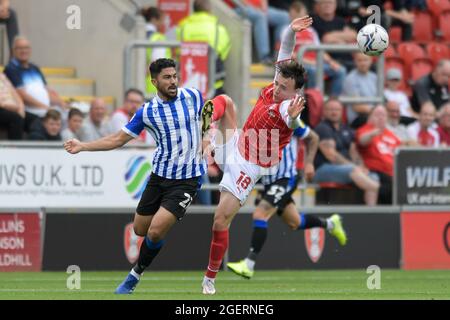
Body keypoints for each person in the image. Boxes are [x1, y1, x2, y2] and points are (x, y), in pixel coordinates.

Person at [64, 58, 209, 294]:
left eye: (174, 76)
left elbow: (214, 112)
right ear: (154, 81)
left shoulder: (193, 95)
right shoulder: (148, 111)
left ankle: (134, 276)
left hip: (187, 179)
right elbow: (117, 139)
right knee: (140, 230)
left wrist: (209, 135)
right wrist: (83, 146)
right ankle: (141, 262)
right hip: (159, 176)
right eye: (167, 77)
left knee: (155, 231)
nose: (173, 81)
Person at [200, 16, 318, 295]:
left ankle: (209, 279)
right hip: (238, 140)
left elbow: (288, 121)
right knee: (224, 101)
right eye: (277, 83)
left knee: (220, 221)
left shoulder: (288, 108)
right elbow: (285, 52)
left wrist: (291, 117)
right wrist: (290, 30)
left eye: (283, 88)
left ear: (295, 92)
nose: (277, 89)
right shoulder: (280, 82)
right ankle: (207, 134)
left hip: (249, 166)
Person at [226, 123, 347, 279]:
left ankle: (248, 265)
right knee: (294, 222)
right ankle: (330, 223)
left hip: (285, 179)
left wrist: (309, 163)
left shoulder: (289, 117)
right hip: (270, 181)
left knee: (260, 214)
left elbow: (314, 137)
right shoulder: (261, 120)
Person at [313, 98, 379, 205]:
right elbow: (331, 155)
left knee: (373, 176)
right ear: (324, 111)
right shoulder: (322, 128)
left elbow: (354, 152)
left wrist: (361, 166)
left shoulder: (346, 128)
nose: (334, 112)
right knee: (356, 172)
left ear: (342, 111)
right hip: (322, 168)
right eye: (330, 109)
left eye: (337, 109)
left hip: (346, 168)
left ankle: (370, 212)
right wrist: (355, 167)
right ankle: (375, 193)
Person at [4, 36, 67, 130]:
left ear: (30, 50)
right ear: (13, 51)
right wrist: (45, 107)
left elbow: (47, 91)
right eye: (20, 48)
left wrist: (61, 103)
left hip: (44, 109)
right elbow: (22, 95)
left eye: (26, 48)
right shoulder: (11, 69)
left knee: (70, 114)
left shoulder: (35, 68)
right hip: (30, 110)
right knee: (52, 121)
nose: (23, 51)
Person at [289, 1, 346, 97]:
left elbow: (320, 50)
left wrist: (331, 62)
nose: (300, 19)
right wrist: (312, 62)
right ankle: (313, 101)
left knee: (341, 70)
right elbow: (291, 55)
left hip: (316, 63)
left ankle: (333, 101)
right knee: (314, 70)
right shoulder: (288, 31)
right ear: (291, 16)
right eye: (297, 16)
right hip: (299, 65)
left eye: (302, 16)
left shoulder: (311, 31)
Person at [177, 0, 231, 96]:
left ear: (194, 9)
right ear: (209, 9)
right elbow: (224, 51)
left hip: (188, 80)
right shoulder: (218, 28)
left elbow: (177, 51)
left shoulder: (182, 27)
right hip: (213, 79)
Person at [355, 105, 402, 204]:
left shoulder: (390, 134)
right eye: (377, 114)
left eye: (383, 115)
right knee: (374, 179)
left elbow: (400, 151)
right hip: (375, 171)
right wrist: (372, 134)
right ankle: (371, 213)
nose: (381, 117)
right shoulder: (365, 130)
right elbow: (362, 141)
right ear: (370, 117)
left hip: (393, 173)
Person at [225, 0, 290, 64]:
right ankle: (264, 57)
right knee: (260, 16)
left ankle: (279, 53)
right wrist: (254, 8)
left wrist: (264, 8)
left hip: (257, 9)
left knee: (285, 17)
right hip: (238, 8)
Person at [311, 0, 357, 71]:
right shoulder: (313, 21)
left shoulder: (340, 20)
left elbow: (354, 35)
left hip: (348, 59)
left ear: (335, 5)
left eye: (330, 2)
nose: (327, 5)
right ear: (318, 5)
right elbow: (326, 38)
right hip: (329, 61)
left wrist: (333, 36)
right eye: (324, 2)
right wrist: (344, 39)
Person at [141, 6, 171, 96]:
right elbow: (157, 64)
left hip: (137, 86)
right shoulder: (158, 38)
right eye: (161, 20)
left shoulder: (137, 34)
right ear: (154, 19)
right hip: (152, 88)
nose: (162, 24)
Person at [342, 52, 378, 129]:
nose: (363, 63)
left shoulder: (374, 77)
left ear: (371, 61)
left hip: (373, 114)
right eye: (359, 60)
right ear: (355, 62)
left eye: (365, 60)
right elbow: (357, 107)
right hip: (358, 118)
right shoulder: (350, 79)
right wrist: (377, 111)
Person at [0, 72, 24, 140]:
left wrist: (21, 107)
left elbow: (14, 93)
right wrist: (5, 105)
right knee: (16, 118)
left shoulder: (2, 76)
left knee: (34, 119)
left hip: (12, 107)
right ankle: (15, 149)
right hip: (3, 107)